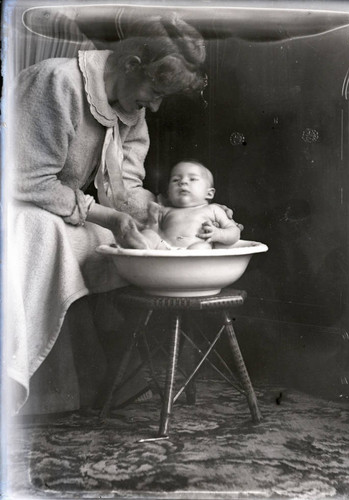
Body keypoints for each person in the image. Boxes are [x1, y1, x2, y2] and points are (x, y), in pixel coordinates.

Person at [6, 13, 223, 413]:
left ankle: (100, 383)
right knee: (49, 233)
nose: (155, 107)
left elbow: (125, 189)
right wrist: (108, 218)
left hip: (56, 207)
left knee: (118, 242)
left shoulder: (129, 109)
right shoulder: (57, 82)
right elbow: (24, 180)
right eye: (154, 92)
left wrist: (158, 216)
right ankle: (33, 386)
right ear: (130, 64)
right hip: (17, 206)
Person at [139, 159, 241, 249]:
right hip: (166, 250)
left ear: (209, 193)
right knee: (149, 235)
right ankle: (135, 240)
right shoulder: (165, 210)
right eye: (175, 180)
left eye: (192, 179)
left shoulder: (213, 209)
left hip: (195, 250)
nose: (183, 182)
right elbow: (156, 233)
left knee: (202, 247)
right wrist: (153, 223)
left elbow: (235, 232)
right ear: (169, 193)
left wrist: (218, 234)